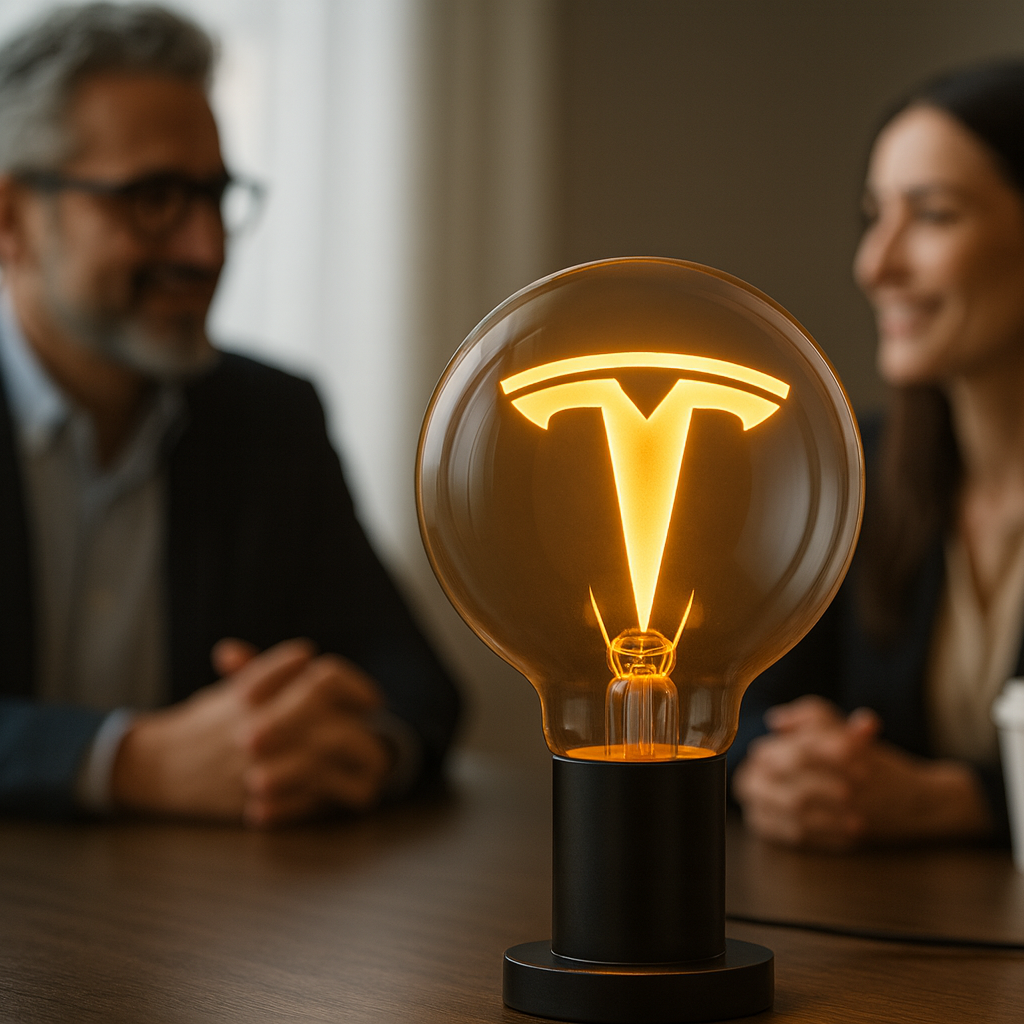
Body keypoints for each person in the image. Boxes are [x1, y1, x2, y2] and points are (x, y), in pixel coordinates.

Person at [0, 3, 460, 825]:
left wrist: (354, 745)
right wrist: (127, 761)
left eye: (215, 197)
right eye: (153, 199)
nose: (206, 249)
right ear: (11, 219)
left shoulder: (269, 417)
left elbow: (413, 679)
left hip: (204, 931)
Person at [730, 57, 1024, 851]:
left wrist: (964, 801)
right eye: (874, 216)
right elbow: (744, 704)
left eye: (932, 216)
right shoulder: (861, 466)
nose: (876, 264)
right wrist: (781, 765)